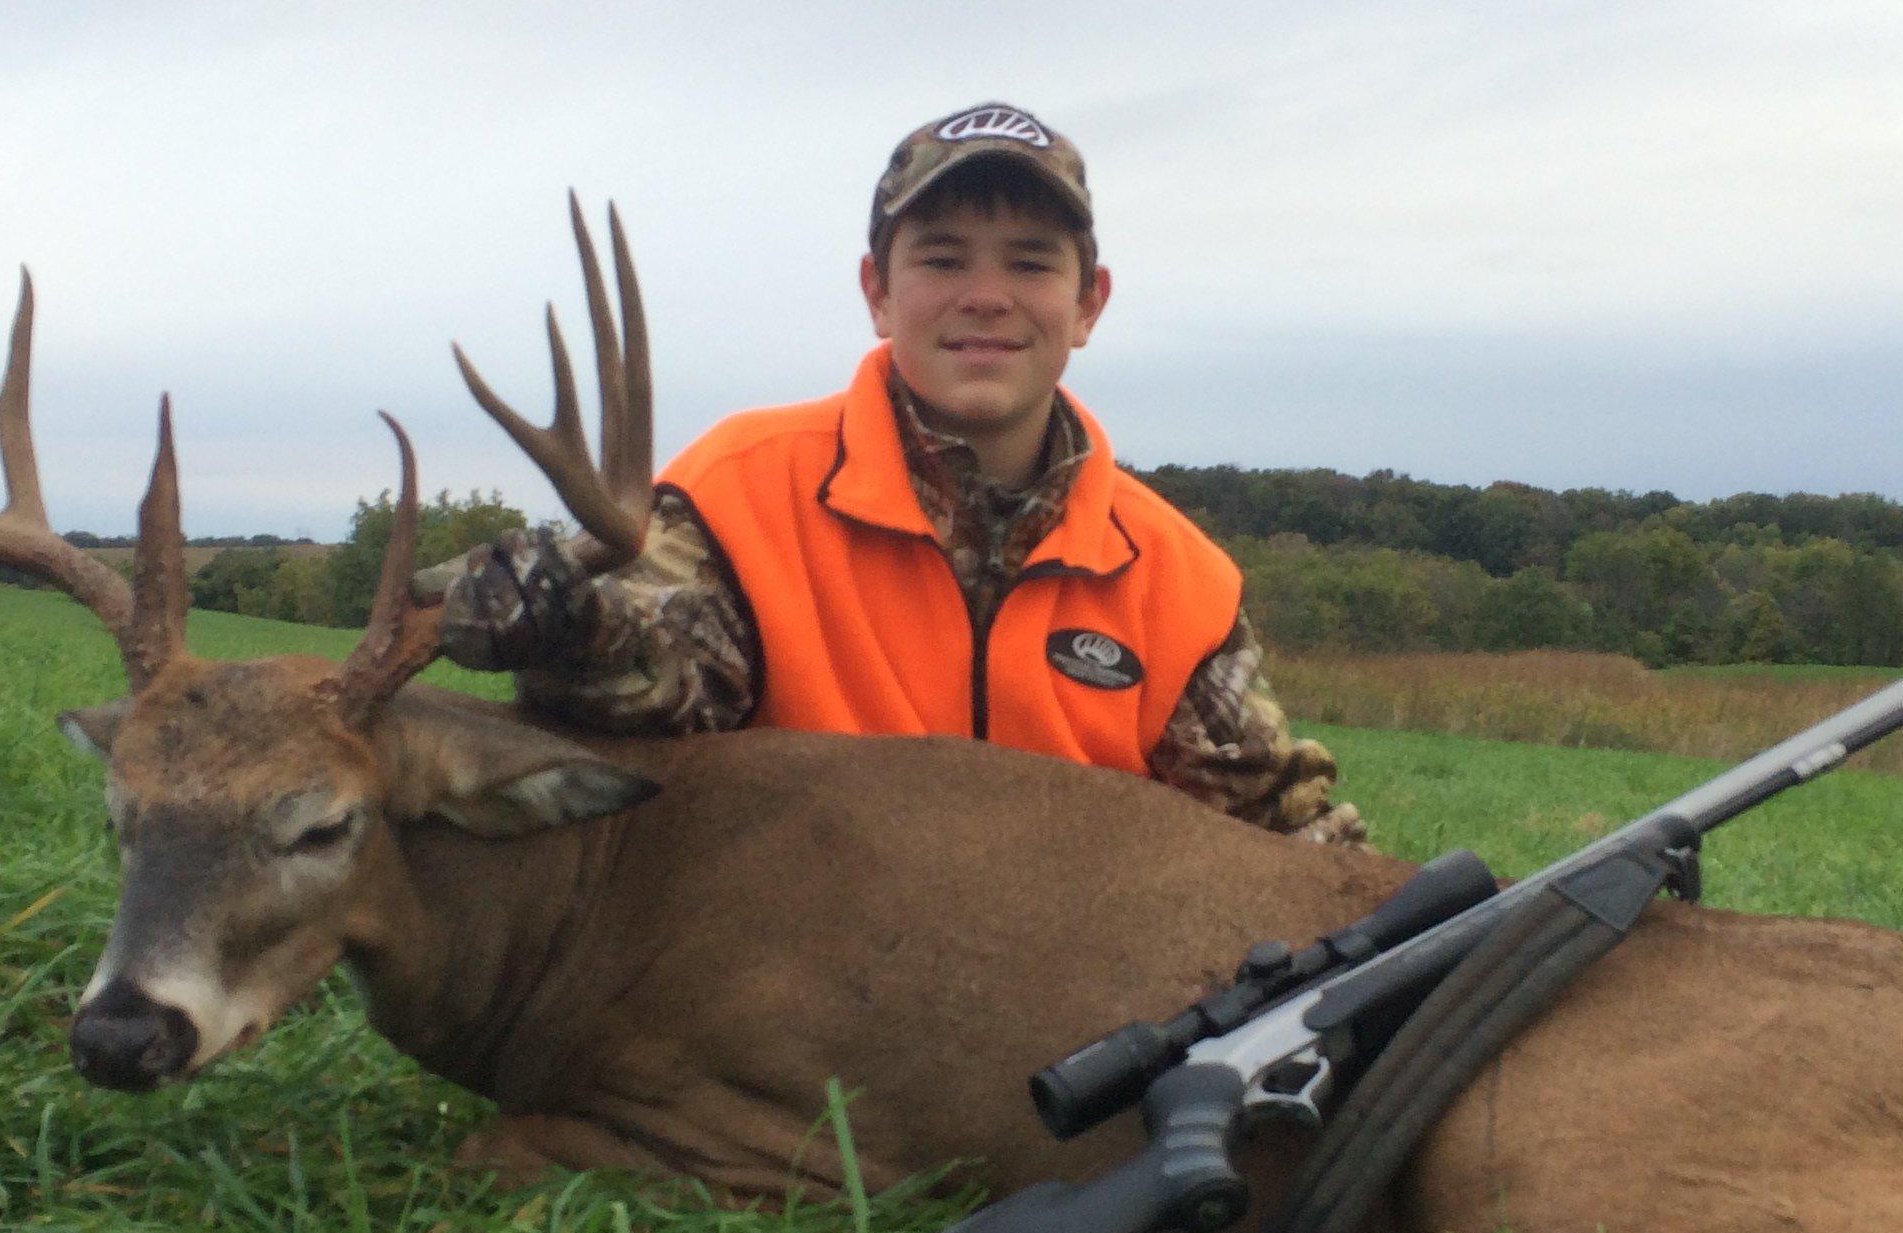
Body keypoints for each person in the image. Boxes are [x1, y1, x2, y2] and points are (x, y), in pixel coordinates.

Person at [433, 102, 1366, 845]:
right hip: (791, 999)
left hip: (1083, 1015)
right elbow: (660, 683)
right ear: (878, 292)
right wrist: (570, 627)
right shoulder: (739, 493)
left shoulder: (1173, 576)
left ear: (1089, 303)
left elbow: (1278, 834)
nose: (987, 297)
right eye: (942, 259)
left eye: (1031, 263)